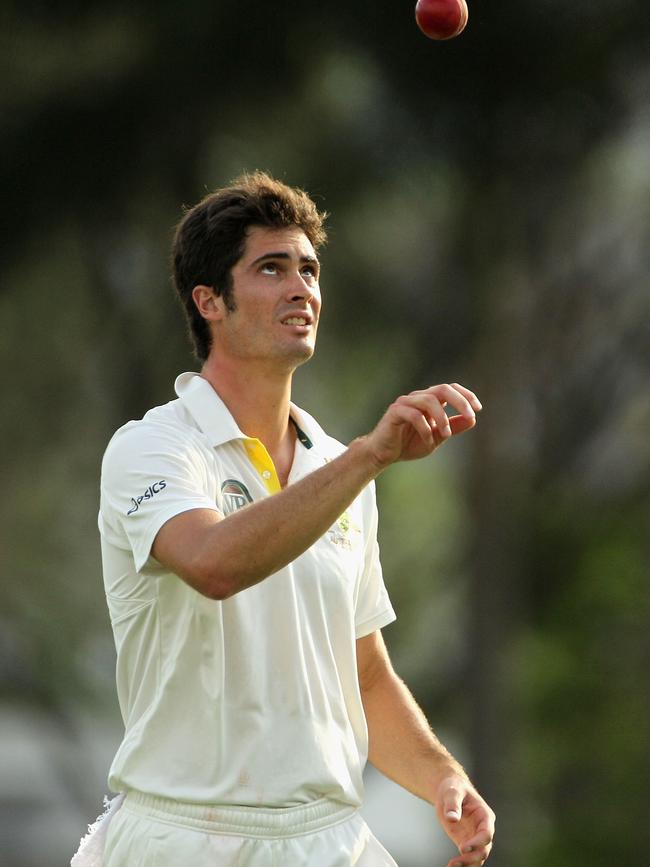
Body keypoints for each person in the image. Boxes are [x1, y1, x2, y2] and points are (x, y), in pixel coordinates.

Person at [82, 171, 495, 867]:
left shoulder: (337, 467)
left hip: (331, 838)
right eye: (271, 268)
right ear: (208, 299)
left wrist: (442, 776)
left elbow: (362, 673)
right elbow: (213, 563)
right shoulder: (151, 447)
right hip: (183, 837)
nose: (301, 288)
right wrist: (370, 456)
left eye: (309, 268)